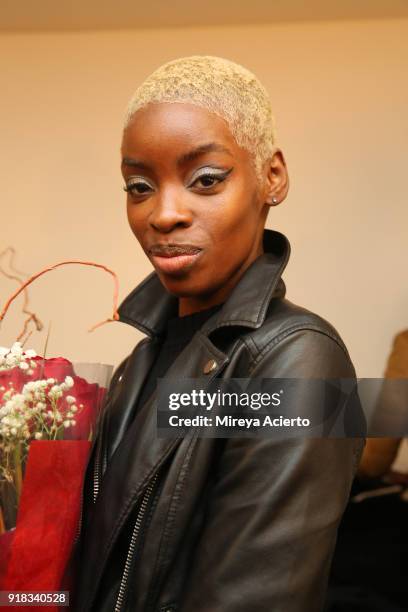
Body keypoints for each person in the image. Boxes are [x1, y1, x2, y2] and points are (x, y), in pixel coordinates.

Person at [72, 56, 364, 612]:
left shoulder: (302, 362)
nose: (164, 213)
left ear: (271, 177)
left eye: (206, 179)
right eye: (139, 186)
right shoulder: (138, 364)